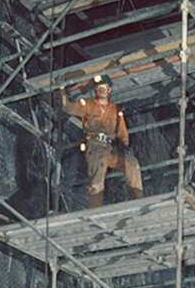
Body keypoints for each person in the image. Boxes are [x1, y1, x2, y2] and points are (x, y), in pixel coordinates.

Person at [60, 73, 143, 208]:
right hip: (95, 147)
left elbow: (122, 132)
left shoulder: (115, 109)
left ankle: (138, 202)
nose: (102, 90)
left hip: (110, 148)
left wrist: (125, 147)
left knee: (132, 164)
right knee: (96, 181)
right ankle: (95, 210)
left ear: (109, 90)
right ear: (96, 90)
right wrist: (62, 90)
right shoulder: (87, 105)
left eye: (105, 87)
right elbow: (67, 107)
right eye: (99, 88)